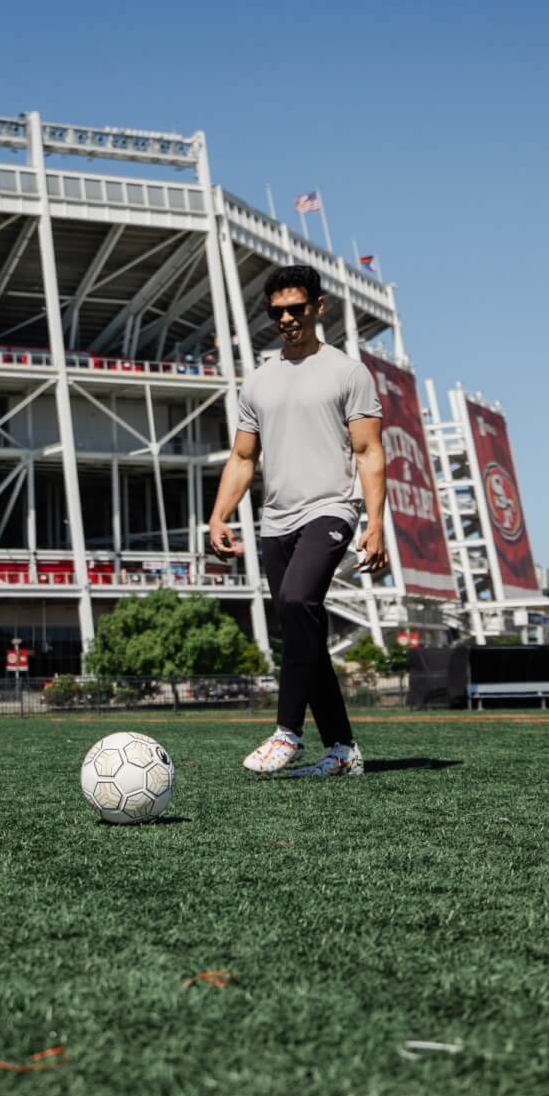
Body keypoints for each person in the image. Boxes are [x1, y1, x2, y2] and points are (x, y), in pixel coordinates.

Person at [208, 264, 385, 779]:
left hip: (331, 508)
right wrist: (218, 516)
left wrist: (375, 522)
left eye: (296, 309)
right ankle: (342, 750)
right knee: (302, 629)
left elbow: (369, 451)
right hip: (275, 520)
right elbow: (243, 458)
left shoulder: (347, 373)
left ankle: (287, 731)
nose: (286, 318)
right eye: (277, 311)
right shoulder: (259, 382)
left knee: (296, 601)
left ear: (317, 307)